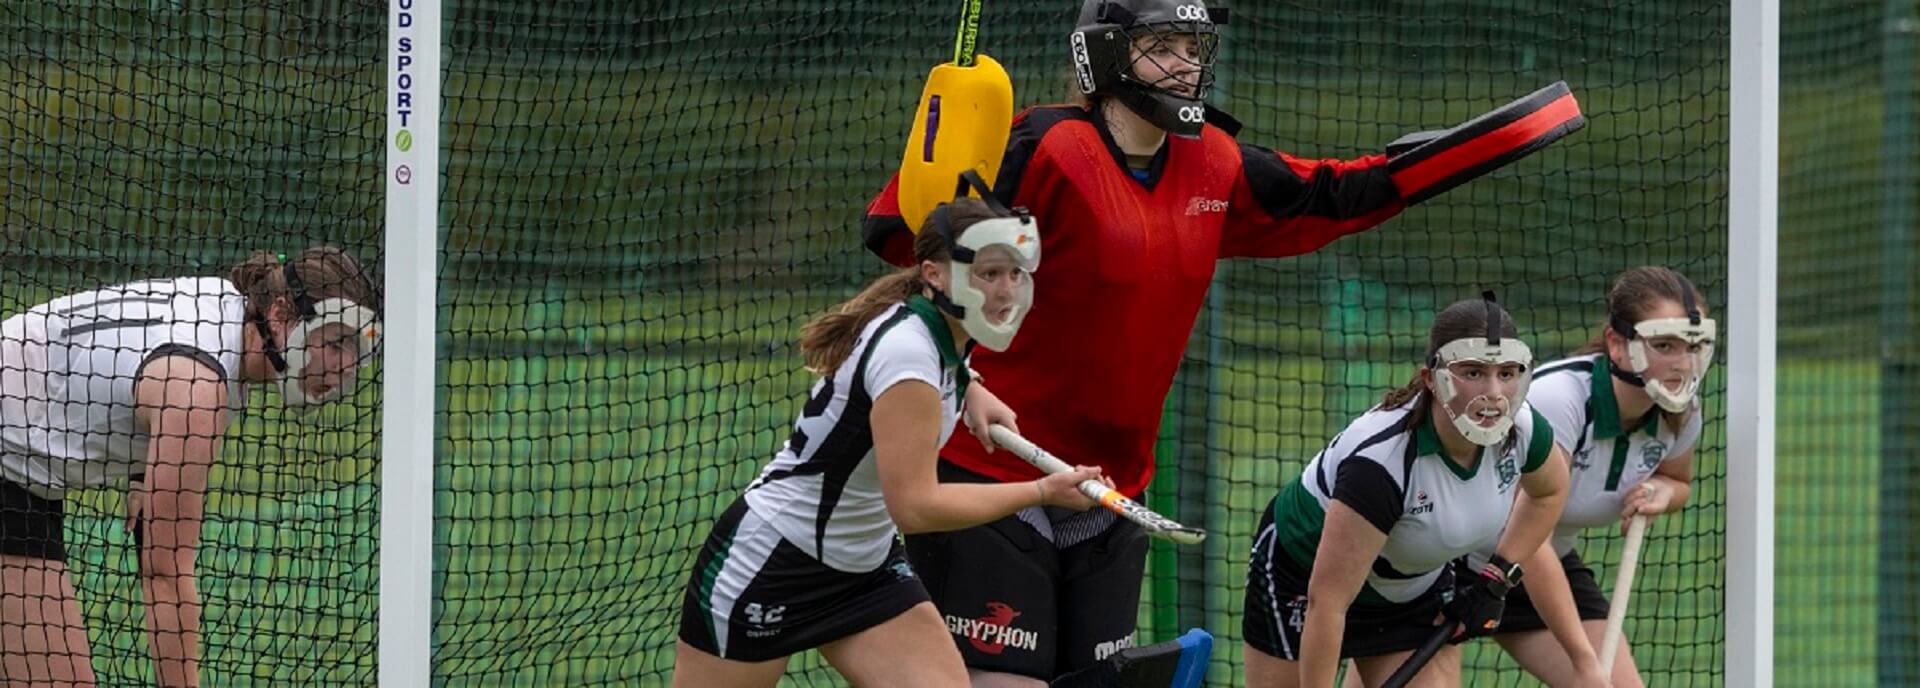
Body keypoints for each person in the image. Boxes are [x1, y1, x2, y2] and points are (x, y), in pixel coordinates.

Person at [860, 0, 1582, 683]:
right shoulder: (1047, 145)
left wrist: (1470, 152)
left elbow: (1332, 194)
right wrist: (940, 171)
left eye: (1194, 48)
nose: (1183, 64)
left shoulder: (1214, 162)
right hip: (995, 466)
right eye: (1161, 47)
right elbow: (902, 242)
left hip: (1113, 487)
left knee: (1100, 682)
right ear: (1107, 55)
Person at [672, 193, 1111, 688]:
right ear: (935, 274)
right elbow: (917, 507)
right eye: (988, 274)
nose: (1006, 290)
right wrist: (1041, 493)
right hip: (773, 563)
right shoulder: (909, 356)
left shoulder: (938, 331)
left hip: (863, 569)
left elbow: (929, 368)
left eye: (1015, 273)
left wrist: (971, 389)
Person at [1, 246, 382, 687]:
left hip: (24, 476)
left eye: (355, 349)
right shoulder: (201, 388)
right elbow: (163, 574)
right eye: (335, 343)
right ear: (280, 314)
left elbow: (132, 365)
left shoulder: (220, 311)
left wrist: (146, 470)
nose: (346, 366)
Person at [1241, 295, 1572, 688]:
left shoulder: (1524, 429)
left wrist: (1497, 576)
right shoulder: (1381, 464)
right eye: (1473, 372)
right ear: (1432, 379)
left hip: (1410, 588)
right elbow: (1327, 602)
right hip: (1301, 576)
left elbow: (1548, 493)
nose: (1494, 392)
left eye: (1507, 372)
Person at [1467, 266, 1713, 688]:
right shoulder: (1558, 399)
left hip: (1544, 569)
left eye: (1694, 346)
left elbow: (1679, 481)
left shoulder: (1681, 413)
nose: (1683, 363)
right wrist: (1583, 661)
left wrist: (1661, 492)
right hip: (1449, 563)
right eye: (1666, 345)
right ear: (1617, 345)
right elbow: (1526, 532)